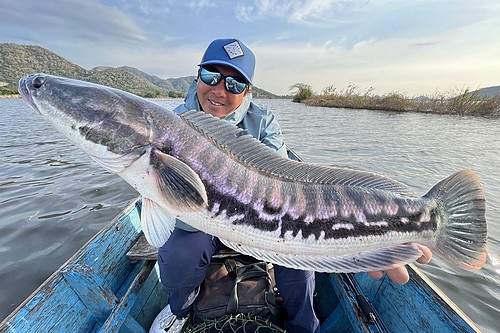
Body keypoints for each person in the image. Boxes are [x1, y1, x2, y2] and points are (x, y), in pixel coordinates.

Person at [150, 38, 433, 333]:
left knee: (300, 259)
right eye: (211, 76)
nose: (220, 90)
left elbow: (285, 182)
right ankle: (179, 309)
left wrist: (362, 226)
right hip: (196, 221)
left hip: (262, 220)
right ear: (197, 76)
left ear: (247, 91)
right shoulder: (171, 123)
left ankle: (303, 325)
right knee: (178, 254)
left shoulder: (263, 121)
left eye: (235, 84)